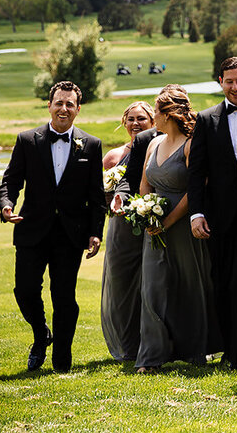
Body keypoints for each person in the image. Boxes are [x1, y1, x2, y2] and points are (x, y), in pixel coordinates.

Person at [0, 81, 104, 372]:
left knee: (65, 297)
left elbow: (97, 195)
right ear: (49, 105)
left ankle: (62, 361)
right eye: (59, 102)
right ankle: (41, 333)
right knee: (25, 290)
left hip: (70, 234)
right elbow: (10, 181)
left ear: (78, 109)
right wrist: (6, 205)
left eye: (70, 104)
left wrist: (96, 232)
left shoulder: (92, 145)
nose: (63, 109)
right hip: (32, 229)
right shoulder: (27, 140)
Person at [136, 85, 221, 372]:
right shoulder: (153, 143)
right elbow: (145, 183)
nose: (153, 116)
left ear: (169, 114)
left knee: (189, 285)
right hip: (154, 224)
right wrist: (147, 213)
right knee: (152, 287)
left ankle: (195, 350)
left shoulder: (190, 144)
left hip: (182, 224)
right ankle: (152, 355)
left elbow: (195, 188)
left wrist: (168, 221)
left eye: (156, 111)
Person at [188, 56, 237, 370]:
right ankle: (230, 351)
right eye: (228, 81)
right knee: (220, 282)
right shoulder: (206, 120)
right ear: (220, 82)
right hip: (218, 217)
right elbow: (197, 171)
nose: (234, 86)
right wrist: (196, 213)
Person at [100, 101, 154, 361]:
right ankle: (127, 344)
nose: (136, 124)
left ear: (153, 122)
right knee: (122, 285)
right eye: (131, 119)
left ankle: (153, 341)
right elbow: (100, 197)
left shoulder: (157, 150)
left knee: (151, 284)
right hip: (121, 227)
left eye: (142, 118)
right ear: (124, 122)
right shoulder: (112, 157)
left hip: (150, 224)